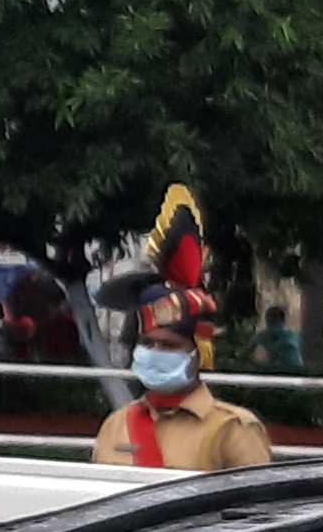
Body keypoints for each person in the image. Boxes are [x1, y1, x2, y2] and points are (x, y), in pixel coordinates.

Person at [92, 189, 272, 475]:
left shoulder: (232, 429)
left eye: (170, 345)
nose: (155, 353)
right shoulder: (116, 426)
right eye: (147, 343)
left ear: (197, 352)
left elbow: (257, 515)